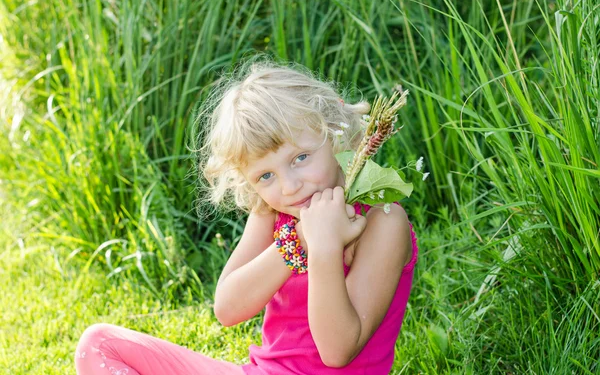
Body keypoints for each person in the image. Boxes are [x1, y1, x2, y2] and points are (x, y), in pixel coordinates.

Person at [74, 58, 418, 375]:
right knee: (100, 344)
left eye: (300, 158)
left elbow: (337, 350)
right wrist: (297, 241)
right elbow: (227, 308)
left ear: (333, 130)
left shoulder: (382, 222)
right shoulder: (274, 214)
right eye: (265, 176)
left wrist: (325, 246)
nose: (289, 186)